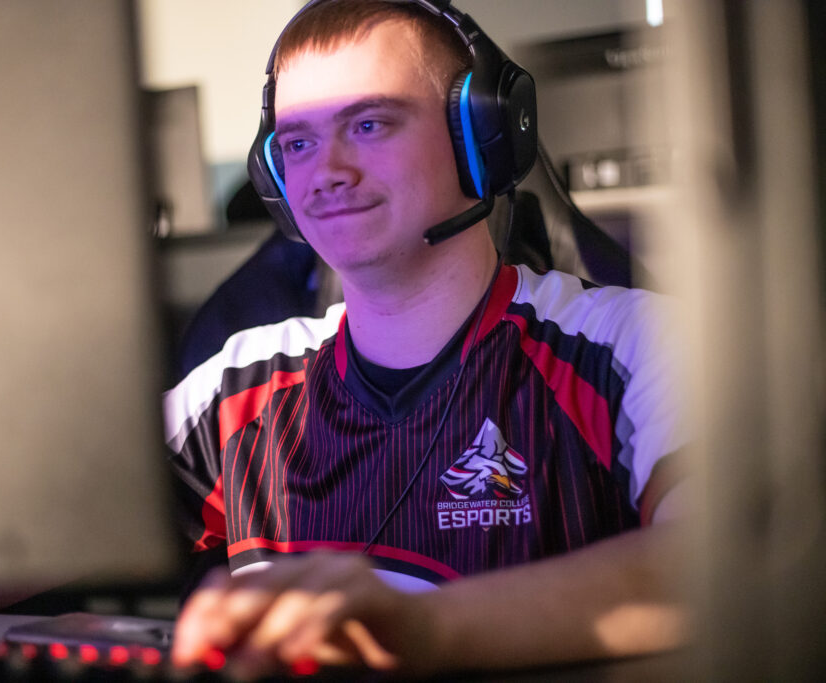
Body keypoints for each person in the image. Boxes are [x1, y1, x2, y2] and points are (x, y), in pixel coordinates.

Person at [162, 0, 688, 676]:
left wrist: (421, 628)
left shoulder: (632, 344)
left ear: (482, 137)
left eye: (370, 123)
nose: (327, 171)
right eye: (297, 142)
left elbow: (729, 559)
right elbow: (44, 538)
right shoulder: (233, 390)